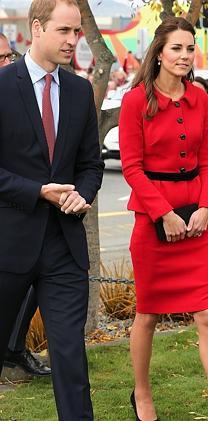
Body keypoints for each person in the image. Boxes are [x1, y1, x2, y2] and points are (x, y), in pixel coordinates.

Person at [119, 17, 208, 421]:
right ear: (159, 53)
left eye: (189, 49)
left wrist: (206, 206)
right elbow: (130, 167)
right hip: (153, 220)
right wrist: (163, 213)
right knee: (147, 314)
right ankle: (143, 397)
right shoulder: (135, 102)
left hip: (196, 220)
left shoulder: (201, 97)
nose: (185, 56)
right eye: (176, 49)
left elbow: (207, 158)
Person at [0, 1, 104, 420]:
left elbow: (91, 165)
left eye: (77, 31)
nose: (72, 40)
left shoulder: (79, 91)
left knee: (69, 357)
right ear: (37, 28)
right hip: (8, 245)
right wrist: (36, 191)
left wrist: (84, 194)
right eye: (64, 30)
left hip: (64, 245)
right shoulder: (3, 86)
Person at [0, 33, 51, 378]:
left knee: (33, 281)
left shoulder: (20, 94)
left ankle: (14, 349)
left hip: (20, 212)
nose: (7, 62)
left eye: (8, 55)